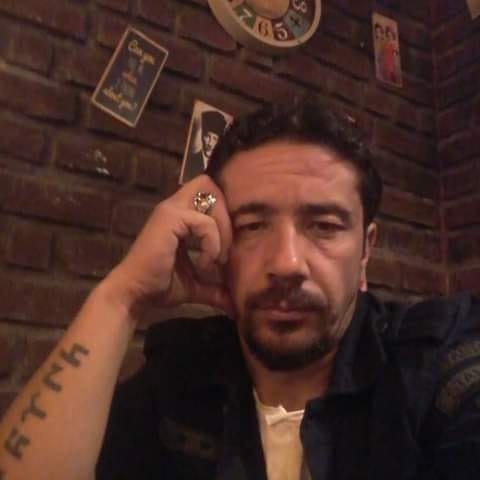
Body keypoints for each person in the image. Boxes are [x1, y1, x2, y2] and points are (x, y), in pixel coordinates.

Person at [0, 98, 479, 480]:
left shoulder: (434, 369)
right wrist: (122, 295)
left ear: (366, 250)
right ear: (216, 234)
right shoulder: (177, 383)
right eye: (251, 226)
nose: (287, 263)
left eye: (325, 226)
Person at [181, 109, 228, 183]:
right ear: (202, 136)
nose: (210, 143)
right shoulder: (191, 160)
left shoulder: (221, 168)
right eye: (207, 136)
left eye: (215, 138)